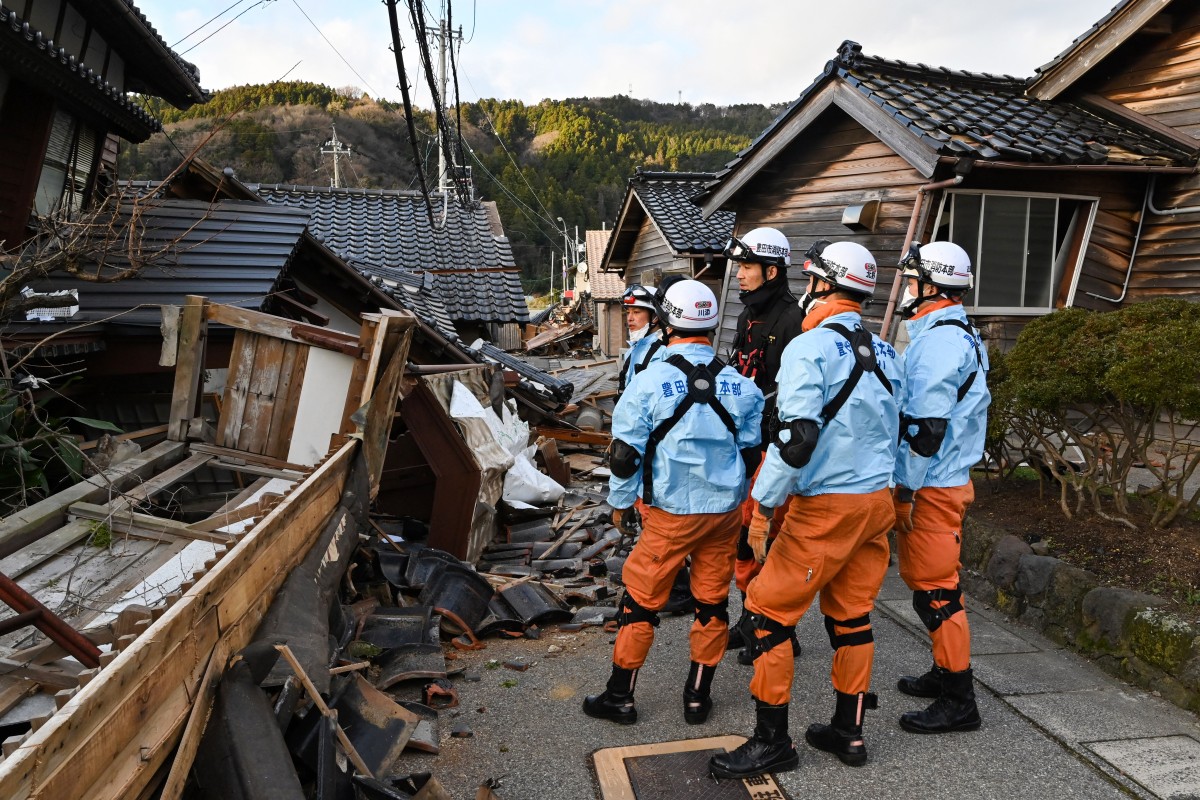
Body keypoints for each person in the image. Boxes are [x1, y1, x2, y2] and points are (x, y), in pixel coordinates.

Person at [710, 240, 901, 779]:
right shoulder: (886, 350)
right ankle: (849, 730)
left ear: (820, 283)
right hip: (875, 502)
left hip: (826, 506)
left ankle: (773, 742)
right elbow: (908, 433)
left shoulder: (809, 347)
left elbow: (796, 442)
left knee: (767, 616)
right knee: (851, 615)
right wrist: (901, 498)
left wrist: (765, 505)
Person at [583, 280, 764, 726]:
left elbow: (625, 455)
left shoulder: (647, 383)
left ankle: (620, 697)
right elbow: (751, 451)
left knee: (641, 602)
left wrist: (621, 504)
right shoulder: (741, 386)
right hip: (723, 514)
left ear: (665, 323)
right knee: (712, 603)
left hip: (669, 512)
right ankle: (697, 697)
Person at [892, 240, 991, 734]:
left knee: (937, 592)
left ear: (930, 285)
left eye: (912, 280)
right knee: (930, 586)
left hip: (932, 483)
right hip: (947, 477)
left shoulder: (937, 342)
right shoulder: (962, 332)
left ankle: (960, 698)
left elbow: (925, 429)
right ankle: (942, 671)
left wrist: (904, 490)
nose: (908, 288)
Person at [722, 227, 806, 664]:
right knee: (743, 540)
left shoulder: (795, 320)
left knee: (767, 540)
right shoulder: (747, 315)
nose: (739, 275)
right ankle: (748, 617)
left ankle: (779, 629)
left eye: (747, 267)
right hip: (744, 443)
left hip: (774, 447)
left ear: (771, 270)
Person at [617, 284, 666, 397]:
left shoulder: (664, 352)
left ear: (655, 316)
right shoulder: (633, 349)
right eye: (628, 312)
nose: (629, 318)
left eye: (636, 312)